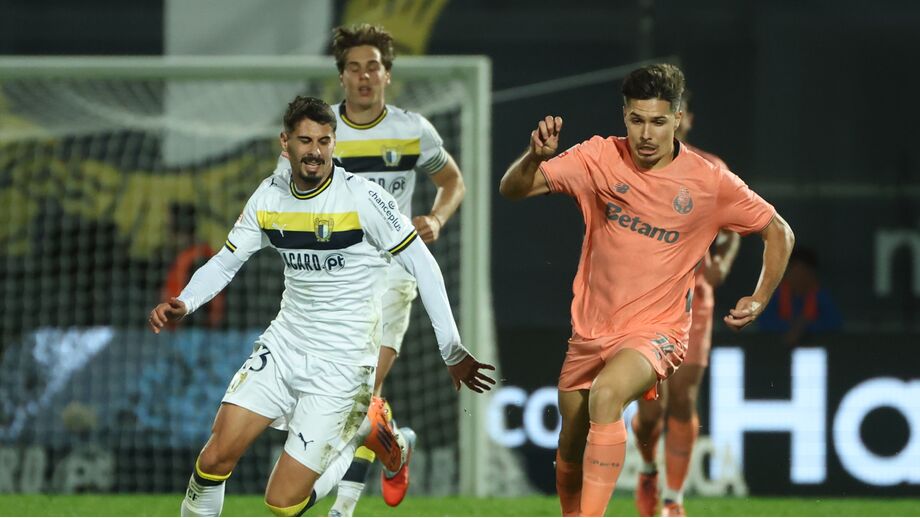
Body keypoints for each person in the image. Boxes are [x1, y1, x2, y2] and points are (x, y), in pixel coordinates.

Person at [148, 96, 494, 517]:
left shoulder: (363, 198)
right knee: (215, 457)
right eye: (305, 140)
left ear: (333, 143)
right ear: (285, 143)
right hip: (284, 345)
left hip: (343, 364)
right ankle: (365, 427)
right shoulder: (269, 196)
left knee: (282, 503)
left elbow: (424, 265)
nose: (315, 151)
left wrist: (452, 349)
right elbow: (225, 261)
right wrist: (186, 301)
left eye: (324, 141)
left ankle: (364, 430)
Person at [499, 64, 794, 517]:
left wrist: (760, 296)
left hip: (658, 332)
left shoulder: (709, 181)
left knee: (609, 396)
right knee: (570, 444)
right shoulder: (598, 156)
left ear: (678, 118)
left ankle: (669, 499)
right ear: (624, 115)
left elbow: (778, 232)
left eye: (658, 121)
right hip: (590, 330)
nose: (646, 134)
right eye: (637, 120)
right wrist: (533, 158)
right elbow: (512, 189)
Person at [275, 23, 467, 516]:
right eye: (355, 68)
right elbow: (283, 196)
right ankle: (395, 445)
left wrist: (436, 218)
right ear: (341, 76)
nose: (364, 76)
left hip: (391, 276)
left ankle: (342, 509)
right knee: (343, 404)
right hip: (330, 282)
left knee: (359, 398)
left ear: (387, 75)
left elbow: (453, 181)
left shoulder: (412, 130)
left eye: (373, 67)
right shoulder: (320, 135)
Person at [631, 90, 741, 517]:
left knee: (683, 398)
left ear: (684, 119)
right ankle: (647, 469)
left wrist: (723, 262)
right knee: (651, 408)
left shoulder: (712, 170)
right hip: (645, 300)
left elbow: (735, 226)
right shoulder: (632, 166)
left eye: (673, 115)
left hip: (696, 298)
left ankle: (674, 500)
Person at [757, 245, 842, 345]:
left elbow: (835, 322)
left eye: (803, 271)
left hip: (812, 349)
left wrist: (805, 326)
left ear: (812, 273)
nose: (799, 276)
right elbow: (763, 323)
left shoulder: (820, 295)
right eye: (794, 270)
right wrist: (792, 326)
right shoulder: (776, 295)